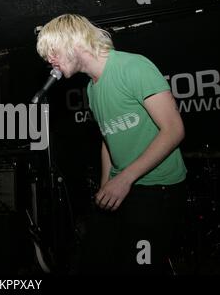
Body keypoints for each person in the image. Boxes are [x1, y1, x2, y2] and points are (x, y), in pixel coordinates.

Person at [36, 14, 187, 274]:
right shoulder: (92, 90)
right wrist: (107, 183)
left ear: (72, 41)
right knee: (95, 259)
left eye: (52, 51)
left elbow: (174, 130)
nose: (50, 60)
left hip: (156, 187)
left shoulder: (133, 67)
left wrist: (124, 179)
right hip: (121, 184)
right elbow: (108, 139)